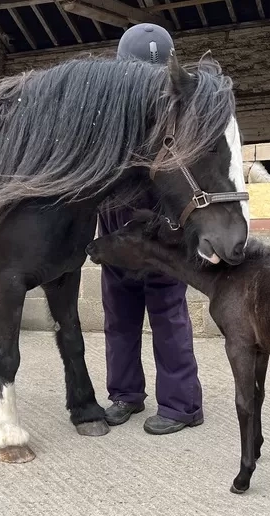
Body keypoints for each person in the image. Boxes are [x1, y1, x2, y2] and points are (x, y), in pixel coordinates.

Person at [99, 23, 203, 436]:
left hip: (163, 231)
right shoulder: (109, 114)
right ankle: (125, 394)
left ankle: (182, 405)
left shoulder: (181, 112)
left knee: (168, 315)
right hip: (117, 229)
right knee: (119, 316)